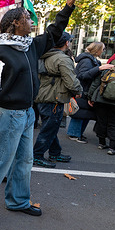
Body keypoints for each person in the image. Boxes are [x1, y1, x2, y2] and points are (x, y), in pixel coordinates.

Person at [0, 0, 82, 221]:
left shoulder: (30, 46)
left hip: (28, 113)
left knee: (24, 160)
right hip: (9, 113)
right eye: (28, 19)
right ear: (15, 23)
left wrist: (68, 6)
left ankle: (17, 201)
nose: (32, 22)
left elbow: (54, 31)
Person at [32, 32, 83, 168]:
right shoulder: (62, 59)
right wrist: (78, 91)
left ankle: (55, 152)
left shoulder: (43, 55)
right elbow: (71, 80)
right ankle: (37, 155)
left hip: (43, 95)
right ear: (66, 43)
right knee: (49, 128)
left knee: (51, 127)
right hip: (54, 97)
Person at [67, 42, 113, 143]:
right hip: (83, 89)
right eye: (103, 49)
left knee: (84, 113)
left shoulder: (92, 60)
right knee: (79, 112)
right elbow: (82, 75)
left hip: (85, 90)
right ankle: (74, 134)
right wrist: (99, 68)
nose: (104, 51)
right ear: (97, 50)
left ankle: (77, 133)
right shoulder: (87, 61)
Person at [88, 53, 115, 155]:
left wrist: (90, 97)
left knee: (101, 121)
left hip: (101, 99)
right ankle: (112, 148)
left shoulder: (108, 67)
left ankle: (101, 143)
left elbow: (96, 83)